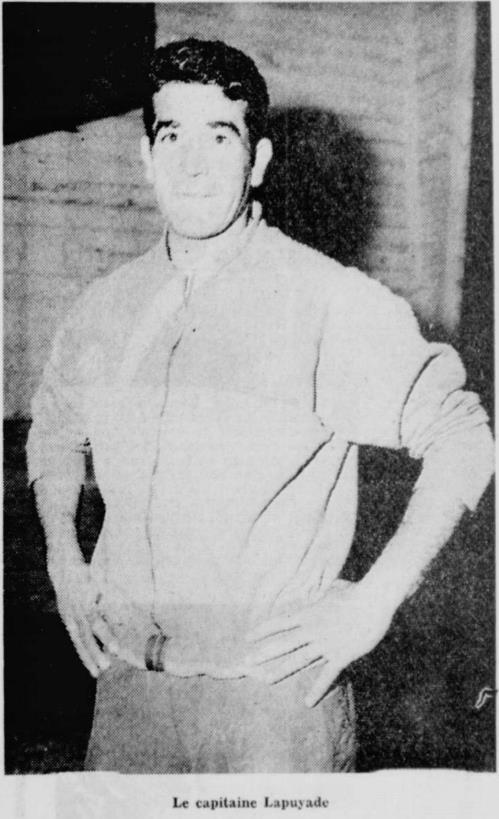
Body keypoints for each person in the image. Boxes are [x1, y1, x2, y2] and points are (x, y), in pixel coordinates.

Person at [27, 38, 494, 773]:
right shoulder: (102, 308)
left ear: (259, 161)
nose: (192, 163)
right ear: (145, 157)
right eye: (171, 136)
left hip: (273, 707)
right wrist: (63, 551)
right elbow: (56, 429)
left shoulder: (328, 301)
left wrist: (374, 600)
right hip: (127, 697)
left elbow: (464, 438)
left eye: (220, 137)